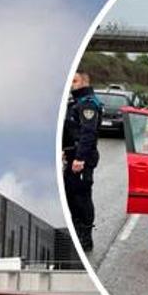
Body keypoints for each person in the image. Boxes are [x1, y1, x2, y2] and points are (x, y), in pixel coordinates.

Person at [62, 71, 102, 252]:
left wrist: (80, 158)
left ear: (84, 82)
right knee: (71, 196)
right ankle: (77, 231)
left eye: (75, 81)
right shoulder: (75, 103)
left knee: (81, 197)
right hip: (71, 156)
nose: (71, 84)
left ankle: (86, 237)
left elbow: (88, 133)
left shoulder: (88, 104)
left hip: (82, 158)